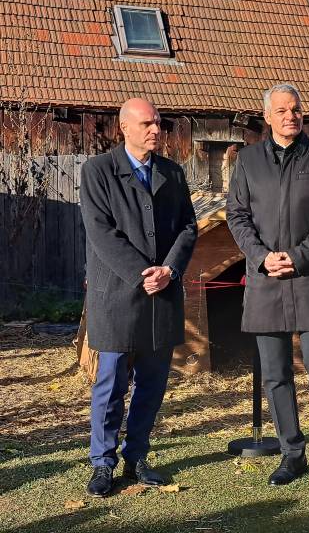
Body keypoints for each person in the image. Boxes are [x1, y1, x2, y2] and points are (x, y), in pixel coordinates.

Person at [226, 83, 309, 492]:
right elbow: (237, 215)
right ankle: (291, 453)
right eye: (281, 111)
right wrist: (261, 257)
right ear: (267, 117)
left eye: (295, 109)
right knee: (276, 374)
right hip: (265, 280)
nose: (290, 116)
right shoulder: (247, 161)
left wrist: (298, 255)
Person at [80, 98, 197, 497]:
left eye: (158, 123)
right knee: (110, 384)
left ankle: (137, 457)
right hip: (116, 295)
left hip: (162, 294)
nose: (155, 130)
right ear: (124, 128)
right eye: (147, 124)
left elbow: (188, 227)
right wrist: (141, 273)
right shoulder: (98, 171)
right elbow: (101, 231)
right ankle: (102, 463)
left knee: (152, 383)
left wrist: (170, 270)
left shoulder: (172, 173)